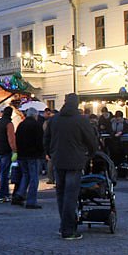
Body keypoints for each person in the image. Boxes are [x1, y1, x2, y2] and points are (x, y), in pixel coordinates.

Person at [43, 94, 98, 241]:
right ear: (77, 104)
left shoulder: (54, 120)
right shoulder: (81, 120)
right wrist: (91, 154)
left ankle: (64, 225)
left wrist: (50, 153)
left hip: (58, 160)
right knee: (70, 195)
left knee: (61, 194)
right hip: (75, 161)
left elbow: (46, 138)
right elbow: (91, 140)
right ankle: (68, 229)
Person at [14, 107, 45, 209]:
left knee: (25, 175)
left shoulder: (21, 125)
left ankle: (19, 194)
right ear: (35, 115)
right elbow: (40, 141)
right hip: (33, 155)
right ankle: (31, 201)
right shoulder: (36, 125)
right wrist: (42, 153)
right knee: (34, 178)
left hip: (22, 154)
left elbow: (17, 139)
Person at [0, 107, 17, 203]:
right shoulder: (9, 124)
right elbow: (11, 139)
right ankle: (3, 195)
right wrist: (15, 150)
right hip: (6, 151)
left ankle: (4, 194)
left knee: (2, 172)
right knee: (5, 174)